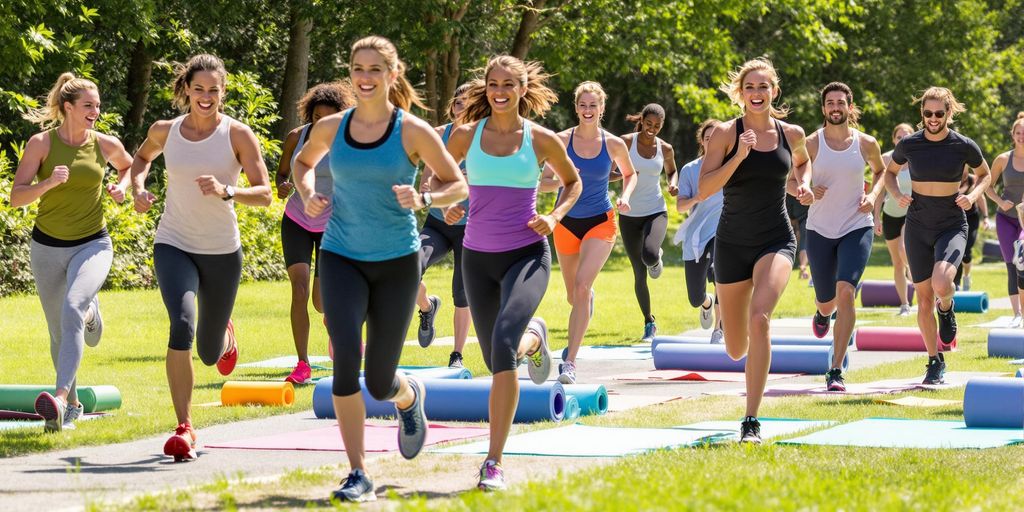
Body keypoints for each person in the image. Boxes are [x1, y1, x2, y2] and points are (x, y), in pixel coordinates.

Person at [291, 36, 467, 503]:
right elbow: (302, 164)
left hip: (396, 263)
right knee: (346, 361)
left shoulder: (412, 132)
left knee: (379, 378)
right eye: (357, 68)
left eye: (374, 69)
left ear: (392, 75)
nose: (364, 77)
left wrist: (426, 198)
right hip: (342, 254)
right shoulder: (330, 127)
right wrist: (308, 193)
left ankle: (408, 397)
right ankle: (357, 471)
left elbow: (458, 185)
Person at [445, 55, 580, 491]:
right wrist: (448, 200)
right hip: (476, 259)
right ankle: (536, 339)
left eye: (509, 83)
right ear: (485, 87)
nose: (499, 90)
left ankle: (493, 462)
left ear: (523, 89)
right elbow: (439, 177)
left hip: (526, 254)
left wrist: (556, 216)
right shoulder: (465, 135)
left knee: (502, 347)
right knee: (493, 358)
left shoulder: (539, 139)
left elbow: (573, 182)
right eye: (492, 83)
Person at [130, 54, 273, 460]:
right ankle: (184, 426)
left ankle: (226, 337)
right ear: (186, 91)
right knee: (181, 324)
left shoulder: (238, 135)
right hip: (173, 242)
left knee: (209, 352)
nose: (206, 97)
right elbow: (140, 159)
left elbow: (265, 194)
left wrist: (230, 191)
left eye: (213, 90)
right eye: (199, 89)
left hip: (222, 252)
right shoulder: (165, 130)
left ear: (222, 92)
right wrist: (139, 186)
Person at [698, 57, 814, 443]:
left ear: (774, 91)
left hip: (776, 238)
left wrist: (803, 184)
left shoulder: (791, 132)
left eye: (764, 87)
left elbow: (803, 162)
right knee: (734, 349)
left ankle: (751, 420)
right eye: (750, 87)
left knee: (760, 319)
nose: (757, 93)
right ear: (741, 93)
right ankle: (717, 305)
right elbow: (704, 188)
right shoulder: (725, 134)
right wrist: (739, 157)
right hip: (731, 242)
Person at [11, 73, 132, 432]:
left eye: (97, 105)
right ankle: (73, 406)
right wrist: (47, 184)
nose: (96, 110)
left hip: (93, 242)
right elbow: (17, 195)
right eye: (88, 105)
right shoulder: (41, 144)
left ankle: (59, 396)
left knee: (73, 306)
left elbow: (129, 166)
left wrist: (121, 187)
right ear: (68, 108)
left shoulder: (104, 143)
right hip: (46, 246)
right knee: (59, 331)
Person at [883, 86, 991, 385]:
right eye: (927, 113)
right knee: (923, 299)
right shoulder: (909, 144)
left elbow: (985, 175)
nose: (933, 118)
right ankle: (934, 361)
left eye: (939, 114)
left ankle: (948, 308)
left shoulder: (963, 145)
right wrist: (896, 194)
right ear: (922, 114)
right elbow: (888, 173)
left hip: (951, 223)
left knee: (942, 282)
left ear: (948, 114)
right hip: (917, 226)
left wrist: (973, 195)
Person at [539, 81, 635, 384]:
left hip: (600, 220)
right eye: (583, 105)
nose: (588, 110)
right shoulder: (560, 140)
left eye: (593, 105)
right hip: (565, 221)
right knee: (573, 296)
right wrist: (565, 180)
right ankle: (584, 301)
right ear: (576, 107)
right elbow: (544, 182)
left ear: (602, 108)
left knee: (581, 287)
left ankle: (569, 362)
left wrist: (626, 197)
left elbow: (630, 174)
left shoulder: (613, 144)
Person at [803, 82, 886, 392]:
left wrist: (873, 195)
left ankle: (836, 369)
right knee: (827, 302)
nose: (835, 107)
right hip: (820, 228)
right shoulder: (811, 144)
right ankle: (823, 314)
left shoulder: (866, 143)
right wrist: (806, 191)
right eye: (830, 103)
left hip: (857, 224)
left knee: (846, 291)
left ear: (850, 108)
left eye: (841, 102)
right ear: (824, 108)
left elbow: (881, 172)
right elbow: (789, 181)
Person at [275, 82, 354, 384]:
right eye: (317, 116)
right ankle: (302, 362)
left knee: (321, 302)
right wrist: (282, 185)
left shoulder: (347, 142)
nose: (322, 121)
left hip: (331, 224)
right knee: (299, 289)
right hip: (296, 219)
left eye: (329, 116)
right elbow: (283, 173)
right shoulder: (297, 137)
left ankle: (334, 322)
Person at [416, 83, 474, 368]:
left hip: (471, 230)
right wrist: (440, 199)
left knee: (463, 294)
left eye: (469, 104)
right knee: (407, 267)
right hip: (438, 224)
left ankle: (457, 355)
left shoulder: (484, 139)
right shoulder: (438, 135)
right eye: (458, 104)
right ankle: (427, 308)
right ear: (452, 107)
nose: (463, 109)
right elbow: (426, 181)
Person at [620, 103, 678, 342]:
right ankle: (649, 322)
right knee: (639, 273)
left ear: (661, 126)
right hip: (629, 214)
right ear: (642, 120)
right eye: (648, 123)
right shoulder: (625, 142)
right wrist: (626, 175)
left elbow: (672, 171)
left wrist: (673, 183)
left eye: (657, 126)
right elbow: (612, 171)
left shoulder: (665, 148)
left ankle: (656, 257)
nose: (652, 129)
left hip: (655, 210)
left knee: (650, 255)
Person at [673, 119, 724, 343]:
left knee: (721, 275)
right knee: (695, 297)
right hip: (696, 236)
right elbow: (680, 205)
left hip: (725, 231)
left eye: (717, 138)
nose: (712, 142)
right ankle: (706, 303)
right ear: (702, 142)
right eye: (707, 138)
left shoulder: (732, 166)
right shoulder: (690, 170)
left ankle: (719, 329)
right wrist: (697, 197)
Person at [986, 113, 1024, 327]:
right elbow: (986, 186)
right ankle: (1017, 314)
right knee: (1011, 264)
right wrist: (1000, 202)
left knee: (1022, 260)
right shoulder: (1003, 159)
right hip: (1006, 218)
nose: (1022, 136)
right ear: (1013, 135)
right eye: (1018, 133)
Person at [873, 123, 915, 316]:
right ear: (894, 139)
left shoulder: (917, 158)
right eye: (899, 137)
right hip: (890, 214)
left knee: (904, 250)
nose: (903, 139)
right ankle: (905, 304)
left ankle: (914, 271)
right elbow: (879, 191)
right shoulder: (886, 158)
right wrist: (876, 217)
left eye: (907, 136)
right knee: (897, 262)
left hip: (912, 212)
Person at [953, 170, 990, 291]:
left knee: (966, 251)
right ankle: (956, 283)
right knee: (957, 251)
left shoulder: (972, 179)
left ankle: (967, 276)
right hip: (955, 218)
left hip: (971, 218)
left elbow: (981, 199)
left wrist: (985, 218)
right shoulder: (951, 178)